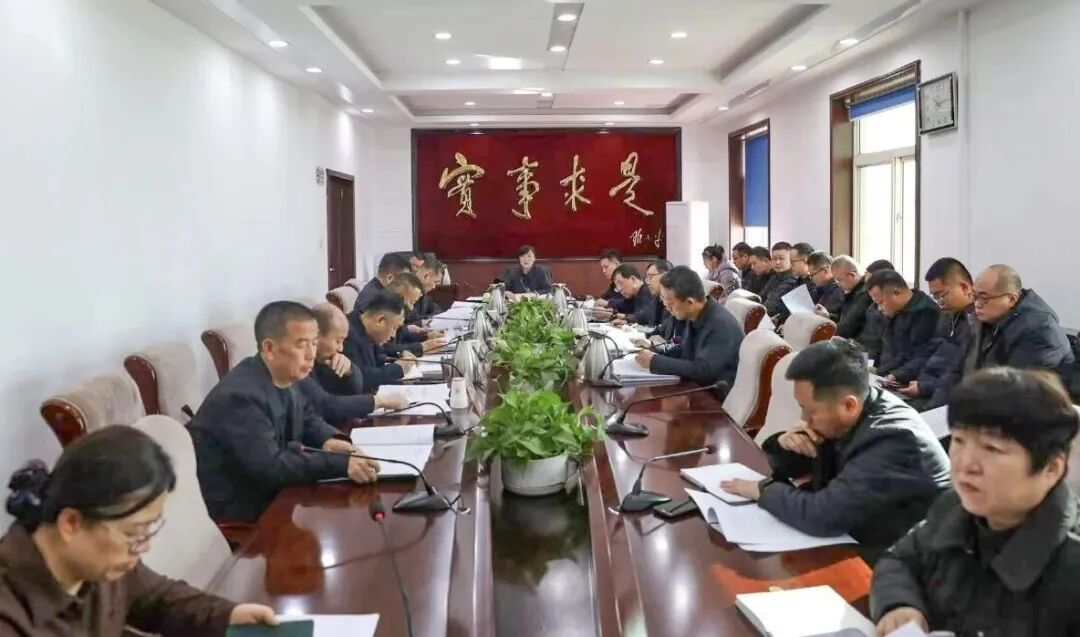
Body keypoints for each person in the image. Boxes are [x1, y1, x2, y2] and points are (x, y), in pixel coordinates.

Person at [0, 427, 278, 634]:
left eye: (149, 530)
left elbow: (159, 599)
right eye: (133, 534)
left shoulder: (102, 566)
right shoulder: (11, 616)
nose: (143, 547)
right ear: (71, 523)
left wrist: (230, 616)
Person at [871, 368, 1080, 635]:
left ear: (1052, 468)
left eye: (992, 448)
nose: (965, 464)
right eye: (959, 440)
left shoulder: (1071, 567)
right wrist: (900, 604)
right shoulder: (954, 506)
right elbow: (899, 560)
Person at [721, 339, 950, 564]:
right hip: (862, 534)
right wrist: (783, 443)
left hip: (907, 561)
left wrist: (762, 491)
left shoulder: (893, 438)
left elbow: (823, 516)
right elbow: (796, 469)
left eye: (810, 410)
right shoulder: (851, 411)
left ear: (849, 405)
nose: (803, 418)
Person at [190, 302, 381, 522]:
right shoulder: (240, 398)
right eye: (301, 345)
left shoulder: (285, 374)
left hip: (279, 494)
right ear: (269, 348)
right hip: (245, 512)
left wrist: (329, 440)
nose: (311, 354)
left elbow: (307, 416)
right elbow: (270, 467)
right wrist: (339, 464)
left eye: (314, 343)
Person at [635, 266, 743, 386]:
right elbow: (684, 349)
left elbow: (704, 370)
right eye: (663, 299)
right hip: (697, 384)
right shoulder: (694, 315)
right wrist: (655, 348)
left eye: (670, 302)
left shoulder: (720, 325)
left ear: (690, 302)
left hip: (714, 392)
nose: (666, 307)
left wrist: (655, 362)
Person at [965, 264, 1074, 382]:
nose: (977, 304)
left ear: (1011, 299)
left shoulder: (1038, 329)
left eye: (984, 298)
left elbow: (1020, 386)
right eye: (974, 296)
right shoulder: (993, 317)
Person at [305, 303, 407, 425]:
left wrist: (350, 370)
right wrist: (378, 401)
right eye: (337, 341)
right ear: (315, 336)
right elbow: (326, 405)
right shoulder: (300, 366)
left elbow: (348, 392)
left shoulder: (325, 358)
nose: (341, 348)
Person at [897, 258, 976, 410]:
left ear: (964, 287)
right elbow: (929, 352)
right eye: (935, 297)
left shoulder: (977, 324)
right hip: (925, 389)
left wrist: (925, 387)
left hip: (945, 401)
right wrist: (900, 375)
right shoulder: (947, 316)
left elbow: (960, 376)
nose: (939, 302)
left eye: (941, 295)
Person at [866, 270, 941, 386]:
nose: (879, 309)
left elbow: (921, 356)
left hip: (909, 382)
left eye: (881, 302)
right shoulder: (893, 311)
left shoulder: (926, 313)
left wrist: (895, 375)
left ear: (896, 292)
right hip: (885, 376)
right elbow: (880, 344)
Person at [343, 291, 417, 391]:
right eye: (394, 328)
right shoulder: (346, 334)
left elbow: (377, 357)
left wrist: (399, 356)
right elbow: (359, 378)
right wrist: (397, 369)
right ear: (380, 320)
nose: (393, 335)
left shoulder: (362, 326)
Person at [383, 272, 446, 358]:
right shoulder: (383, 312)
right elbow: (386, 349)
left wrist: (426, 337)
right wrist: (423, 347)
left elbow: (401, 334)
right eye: (411, 302)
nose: (411, 308)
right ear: (398, 297)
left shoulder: (392, 308)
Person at [832, 255, 875, 353]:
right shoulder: (853, 291)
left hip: (860, 348)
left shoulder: (864, 295)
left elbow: (848, 326)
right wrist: (828, 316)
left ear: (852, 275)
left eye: (840, 280)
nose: (838, 285)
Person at [761, 242, 798, 319]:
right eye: (774, 259)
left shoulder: (792, 279)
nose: (777, 262)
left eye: (781, 258)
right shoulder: (774, 277)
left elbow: (772, 307)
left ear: (791, 260)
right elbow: (761, 297)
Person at [593, 249, 633, 316]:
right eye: (602, 268)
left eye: (606, 267)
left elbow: (630, 304)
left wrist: (608, 304)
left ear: (617, 264)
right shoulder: (613, 286)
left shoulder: (629, 281)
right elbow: (602, 300)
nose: (603, 271)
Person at [808, 250, 844, 320]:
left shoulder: (841, 291)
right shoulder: (817, 290)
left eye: (813, 274)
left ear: (825, 271)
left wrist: (828, 316)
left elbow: (844, 320)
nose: (811, 278)